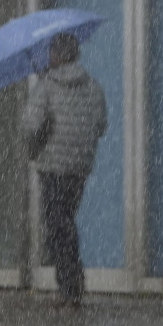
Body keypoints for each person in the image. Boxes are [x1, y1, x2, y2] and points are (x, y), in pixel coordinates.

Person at [21, 33, 107, 308]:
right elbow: (102, 124)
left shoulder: (46, 86)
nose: (49, 56)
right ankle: (72, 284)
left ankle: (70, 287)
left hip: (53, 165)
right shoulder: (93, 86)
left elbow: (30, 126)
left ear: (58, 56)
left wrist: (35, 114)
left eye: (51, 51)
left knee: (58, 225)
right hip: (80, 166)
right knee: (65, 220)